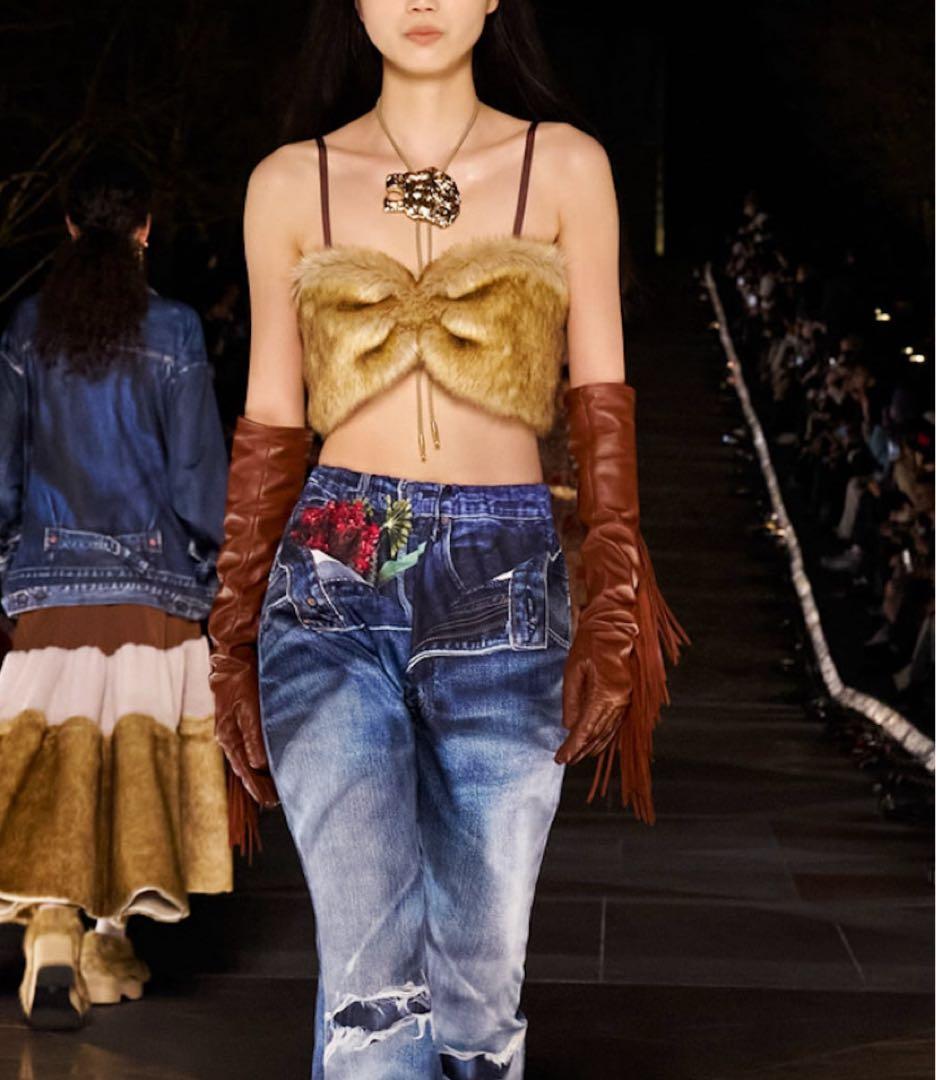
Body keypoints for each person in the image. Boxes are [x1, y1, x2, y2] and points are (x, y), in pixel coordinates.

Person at [208, 2, 690, 1076]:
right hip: (336, 552)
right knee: (372, 989)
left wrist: (613, 598)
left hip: (503, 561)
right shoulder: (288, 182)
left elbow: (602, 403)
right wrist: (233, 631)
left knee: (477, 996)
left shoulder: (566, 168)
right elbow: (272, 420)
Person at [0, 152, 233, 1029]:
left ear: (69, 227)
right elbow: (197, 477)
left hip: (46, 580)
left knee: (54, 758)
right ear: (146, 229)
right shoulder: (174, 330)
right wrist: (212, 568)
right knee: (130, 769)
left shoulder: (26, 329)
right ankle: (104, 938)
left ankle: (55, 925)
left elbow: (2, 473)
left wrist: (12, 564)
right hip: (152, 585)